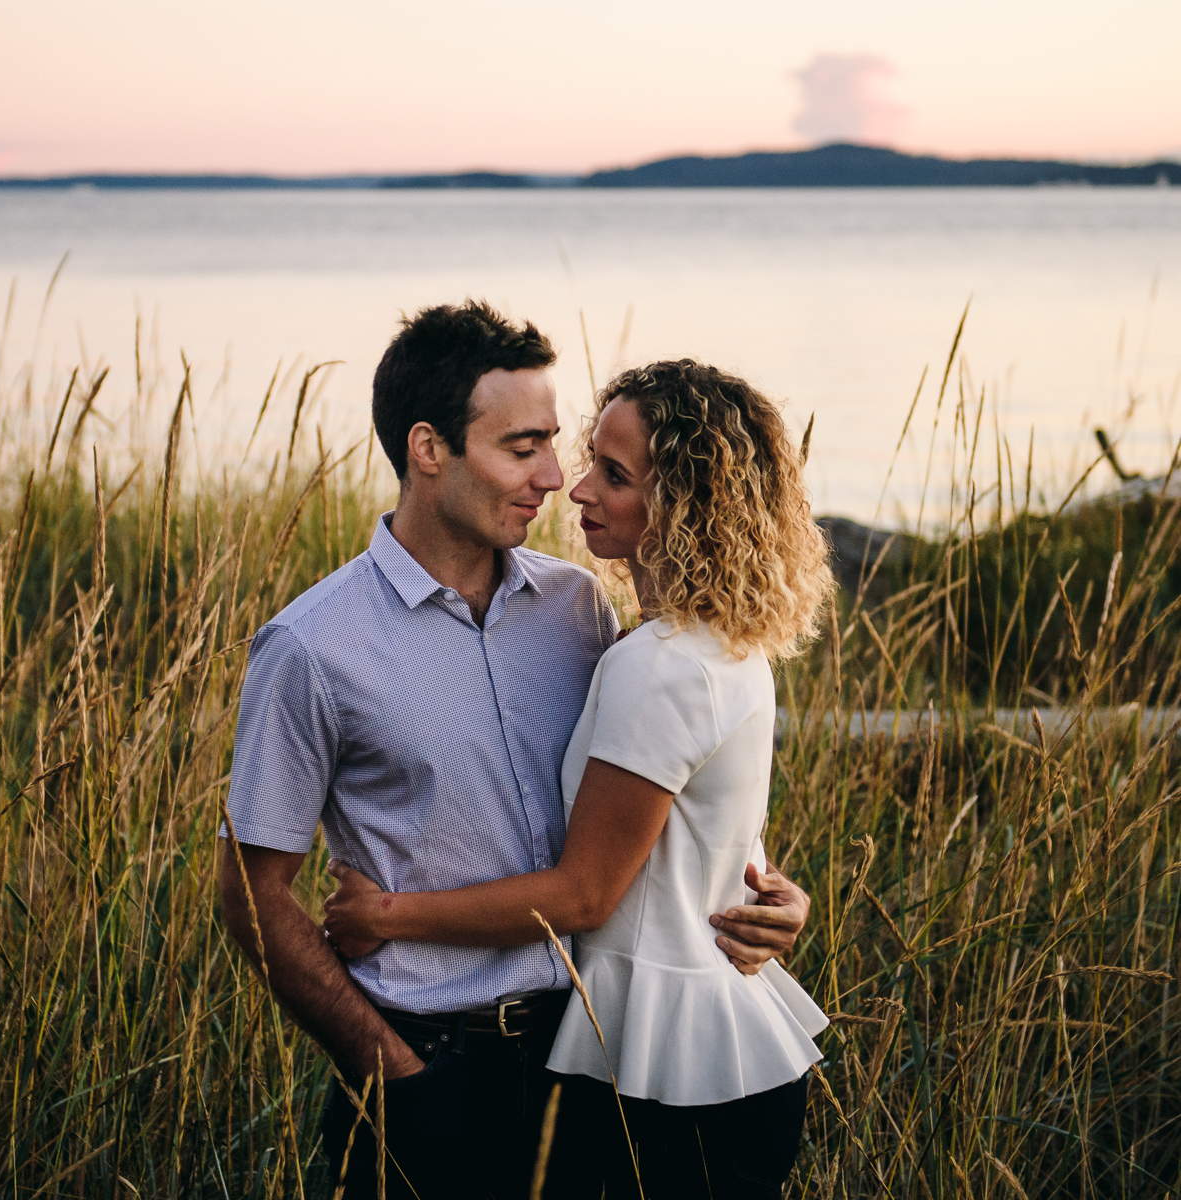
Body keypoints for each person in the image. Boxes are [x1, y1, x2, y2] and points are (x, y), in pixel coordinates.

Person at [216, 303, 812, 1200]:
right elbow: (250, 897)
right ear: (429, 449)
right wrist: (390, 1069)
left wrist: (761, 894)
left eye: (559, 447)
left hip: (592, 1067)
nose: (556, 477)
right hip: (429, 1061)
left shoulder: (581, 611)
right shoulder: (313, 648)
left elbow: (659, 814)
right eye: (523, 447)